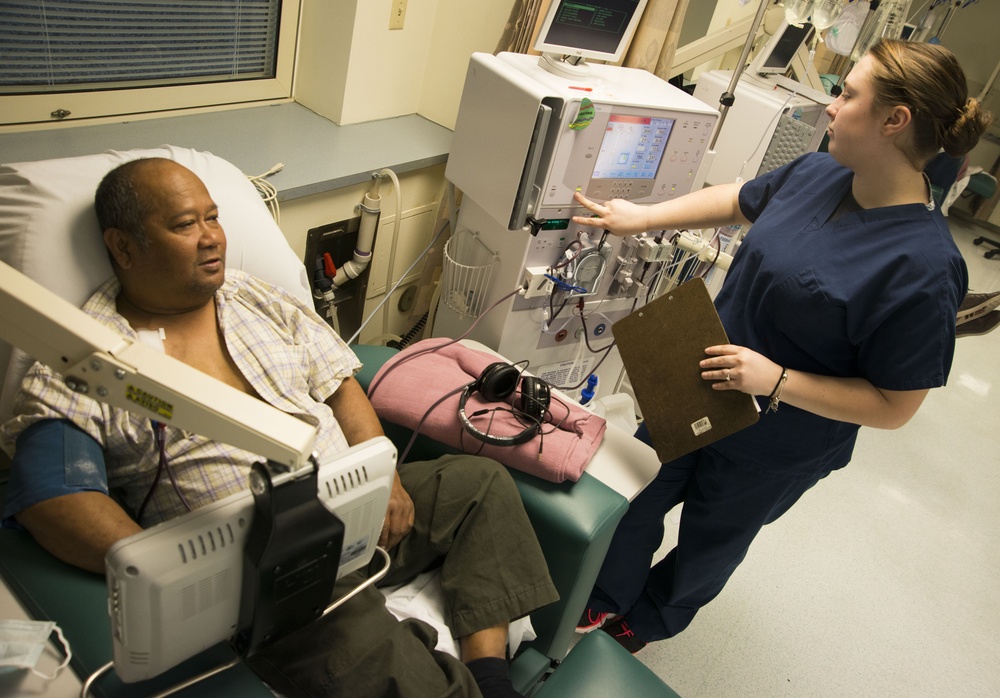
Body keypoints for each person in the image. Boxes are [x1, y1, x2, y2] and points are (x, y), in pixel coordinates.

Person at [0, 157, 559, 698]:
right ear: (123, 247)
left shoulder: (253, 296)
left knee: (480, 486)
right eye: (184, 224)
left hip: (358, 509)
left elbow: (340, 382)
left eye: (213, 217)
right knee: (376, 657)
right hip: (270, 572)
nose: (212, 236)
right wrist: (180, 582)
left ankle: (489, 678)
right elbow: (52, 496)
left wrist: (380, 471)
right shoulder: (88, 357)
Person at [569, 39, 993, 653]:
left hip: (775, 440)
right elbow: (742, 199)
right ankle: (603, 599)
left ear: (893, 121)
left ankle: (645, 622)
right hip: (698, 384)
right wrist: (644, 217)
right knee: (633, 497)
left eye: (848, 95)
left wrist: (776, 380)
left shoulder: (924, 269)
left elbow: (895, 407)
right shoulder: (820, 173)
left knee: (710, 543)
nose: (829, 106)